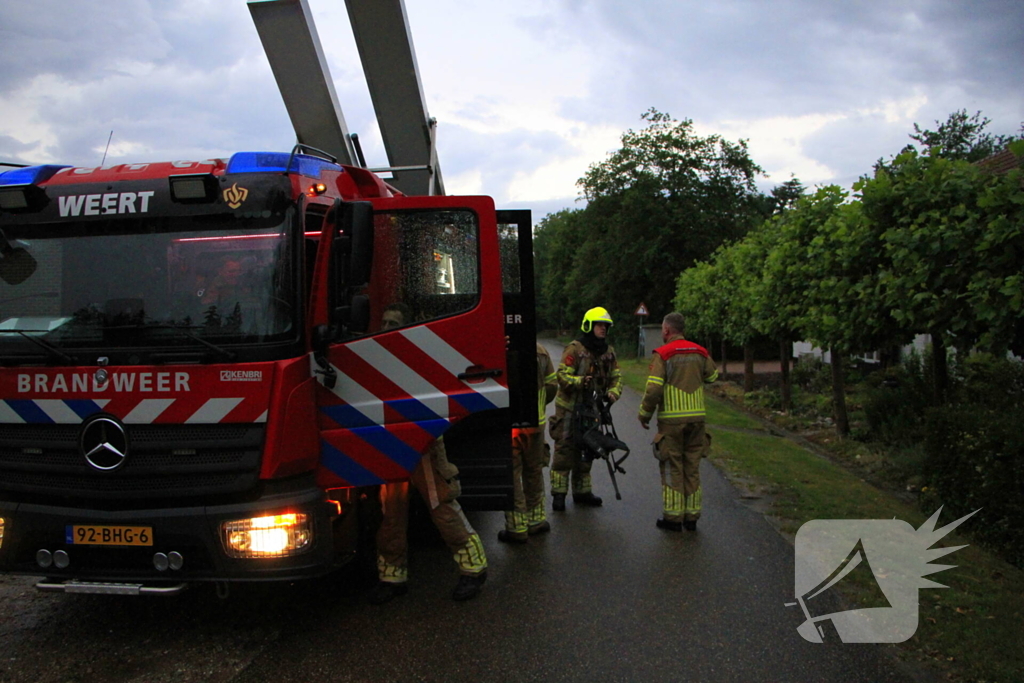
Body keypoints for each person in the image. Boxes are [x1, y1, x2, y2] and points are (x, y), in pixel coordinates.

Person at [371, 305, 488, 603]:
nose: (387, 326)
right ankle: (392, 578)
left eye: (393, 322)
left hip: (422, 445)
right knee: (391, 514)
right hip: (391, 445)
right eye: (383, 322)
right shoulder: (371, 356)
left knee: (442, 508)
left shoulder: (420, 355)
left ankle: (474, 570)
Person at [638, 312, 718, 532]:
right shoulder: (700, 352)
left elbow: (653, 389)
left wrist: (644, 414)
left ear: (666, 330)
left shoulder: (663, 354)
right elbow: (712, 377)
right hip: (697, 421)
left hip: (672, 423)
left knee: (672, 467)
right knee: (692, 467)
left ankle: (673, 519)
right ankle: (691, 518)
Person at [549, 307, 623, 511]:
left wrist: (614, 392)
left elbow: (617, 376)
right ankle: (559, 494)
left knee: (587, 450)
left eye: (605, 326)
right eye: (599, 325)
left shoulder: (608, 352)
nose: (603, 330)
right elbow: (562, 376)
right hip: (569, 411)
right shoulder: (574, 349)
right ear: (589, 326)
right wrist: (580, 381)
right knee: (564, 451)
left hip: (592, 411)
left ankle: (582, 492)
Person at [499, 342, 558, 543]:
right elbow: (552, 385)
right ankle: (536, 521)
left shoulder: (498, 347)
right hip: (536, 425)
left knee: (513, 473)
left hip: (509, 425)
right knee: (533, 471)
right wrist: (539, 406)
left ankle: (516, 528)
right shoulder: (541, 351)